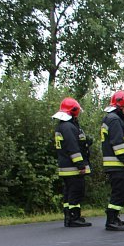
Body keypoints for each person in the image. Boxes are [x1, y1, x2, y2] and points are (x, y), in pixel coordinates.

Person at [53, 97, 92, 227]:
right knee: (76, 192)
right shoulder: (68, 127)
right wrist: (80, 165)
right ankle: (74, 217)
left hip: (65, 167)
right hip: (72, 168)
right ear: (73, 111)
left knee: (68, 193)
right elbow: (73, 148)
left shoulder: (62, 126)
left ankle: (68, 217)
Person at [101, 90, 124, 231]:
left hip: (114, 163)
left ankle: (114, 217)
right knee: (119, 193)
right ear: (120, 104)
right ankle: (111, 219)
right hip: (117, 163)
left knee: (119, 192)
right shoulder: (115, 119)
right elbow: (118, 143)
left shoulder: (111, 118)